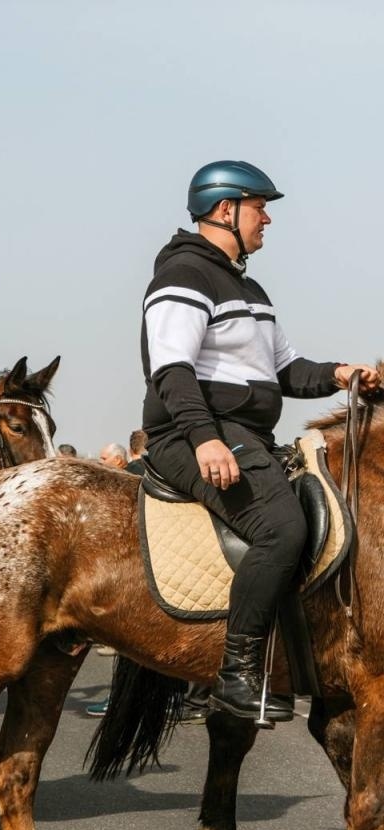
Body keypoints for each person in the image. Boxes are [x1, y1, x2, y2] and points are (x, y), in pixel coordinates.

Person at [140, 160, 378, 723]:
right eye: (260, 206)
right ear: (226, 210)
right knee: (281, 527)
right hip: (192, 432)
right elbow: (171, 371)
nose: (267, 218)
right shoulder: (183, 275)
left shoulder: (248, 286)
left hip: (243, 432)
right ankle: (236, 674)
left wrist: (341, 373)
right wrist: (204, 440)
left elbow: (286, 369)